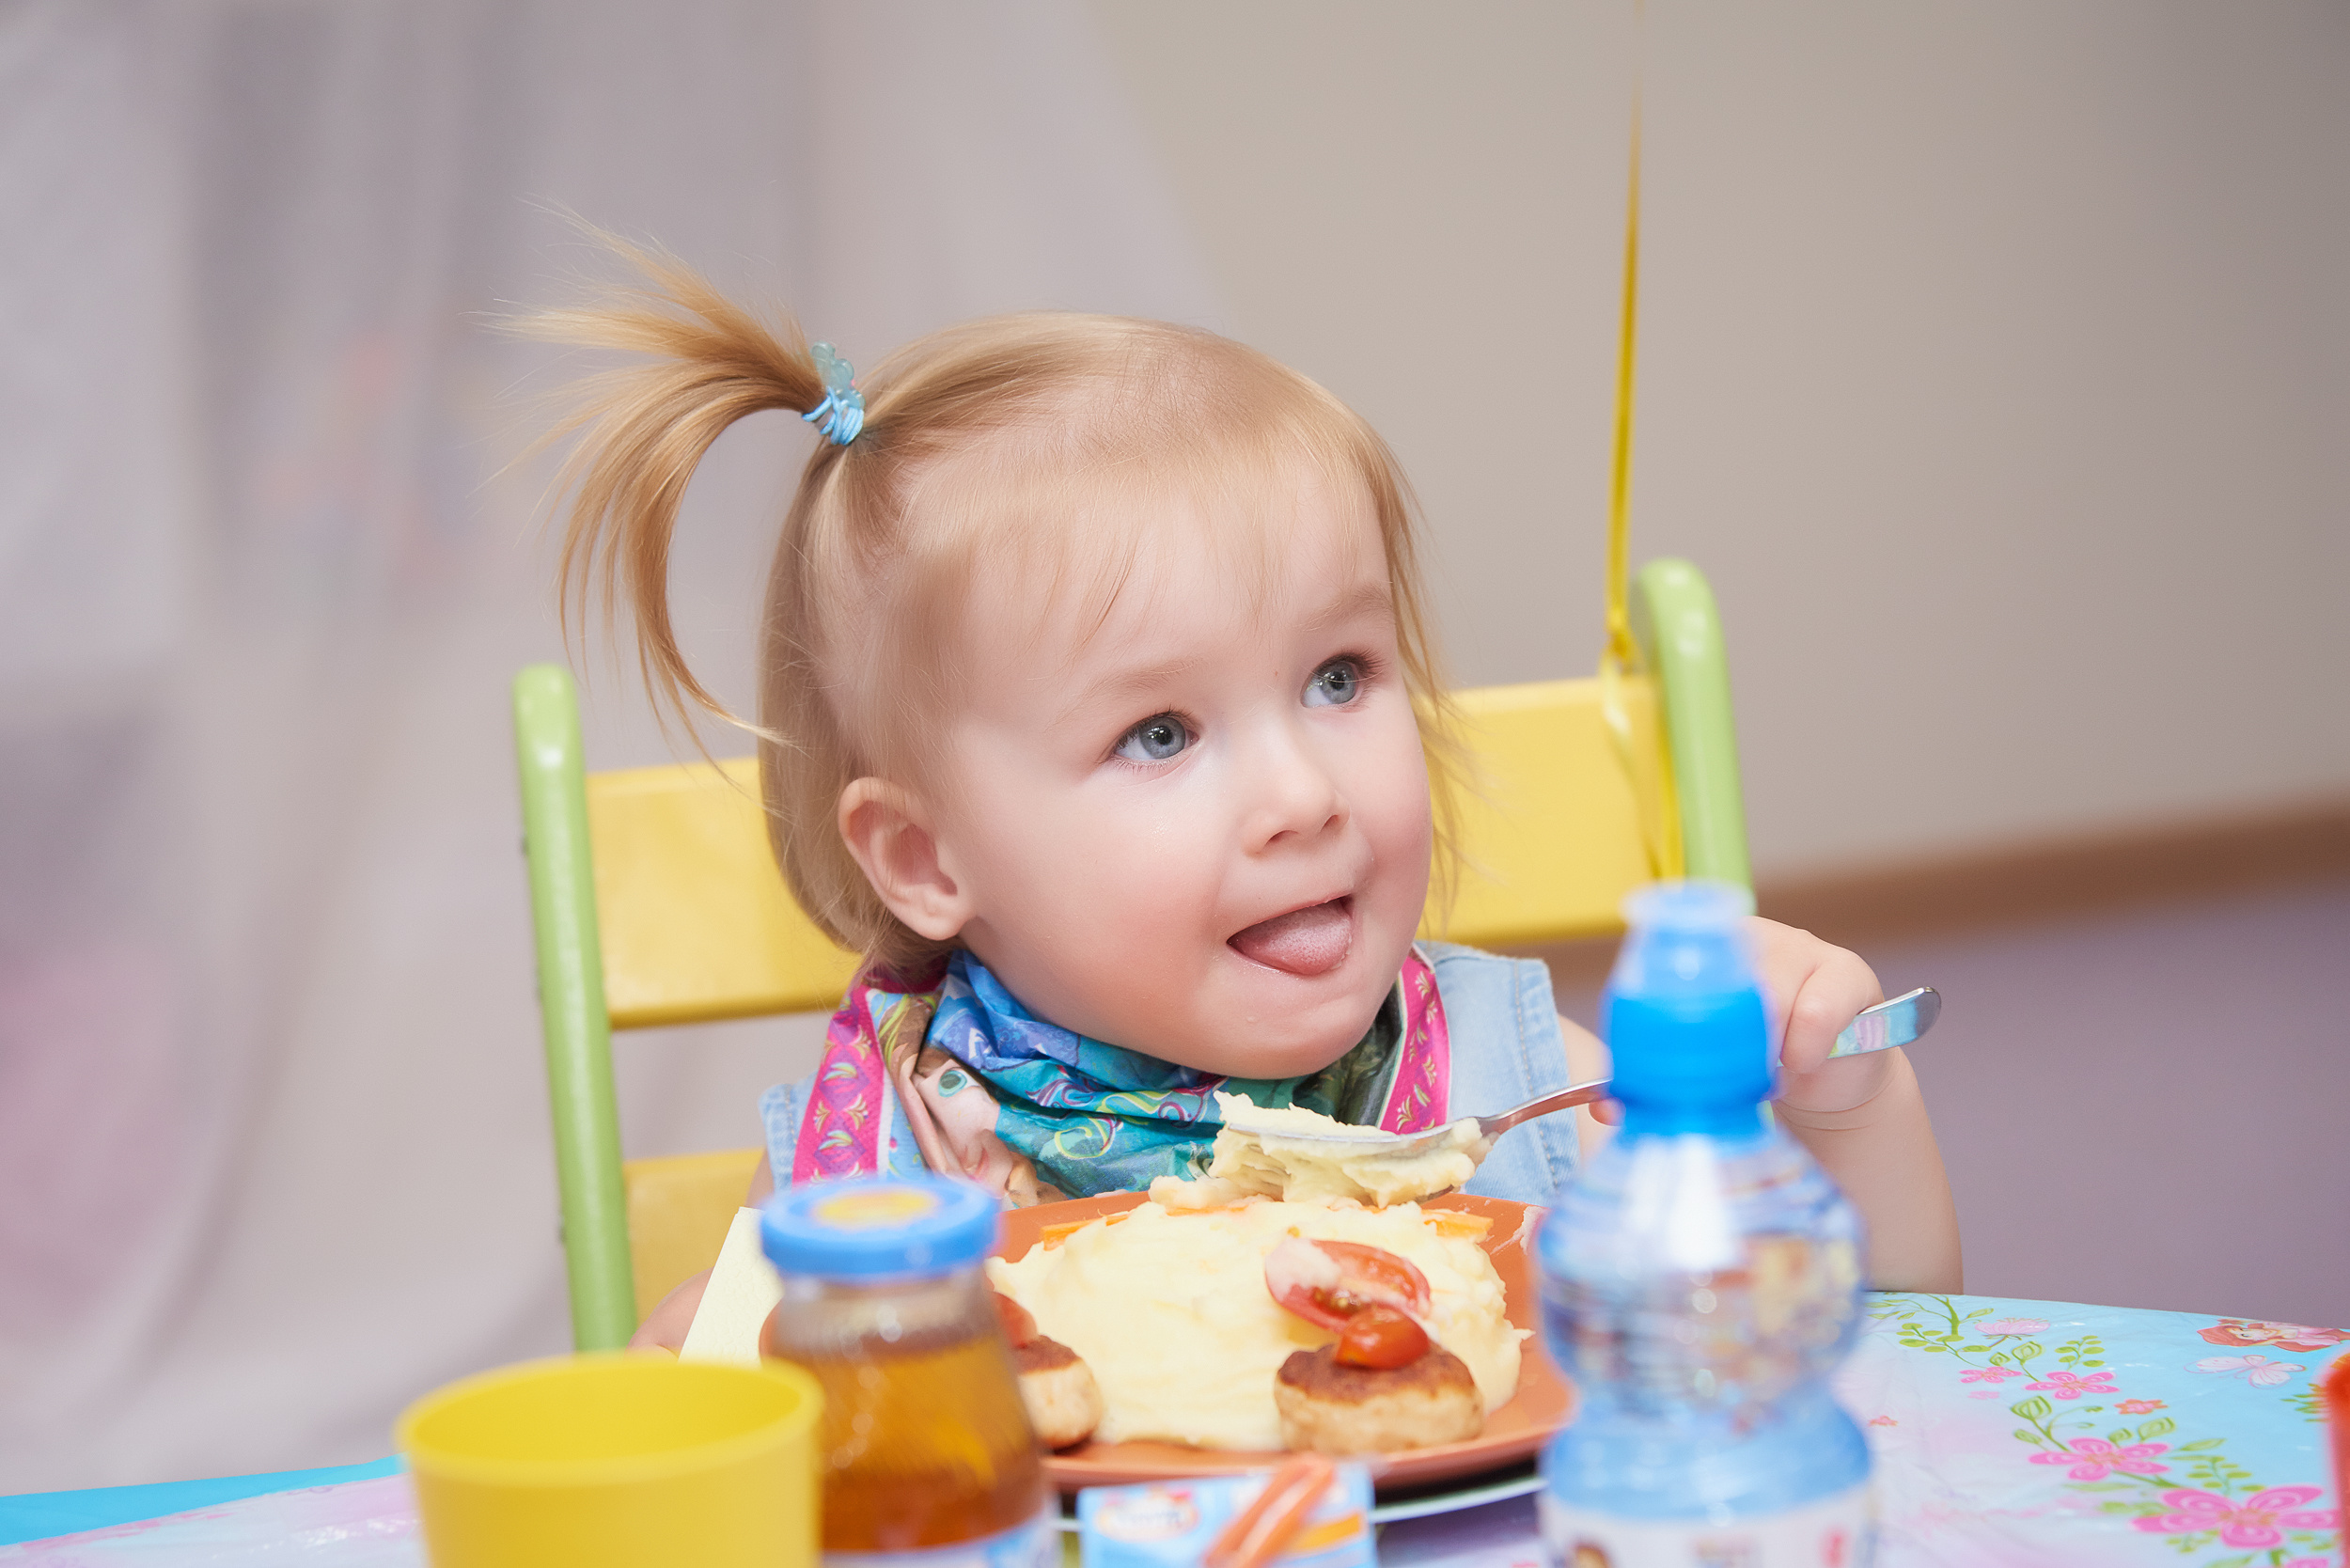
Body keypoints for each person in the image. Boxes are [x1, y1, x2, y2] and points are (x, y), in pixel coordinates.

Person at [523, 237, 1962, 1353]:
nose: (1300, 793)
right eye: (1159, 733)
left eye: (1338, 677)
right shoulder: (881, 1185)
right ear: (926, 855)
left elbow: (1868, 1356)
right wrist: (717, 1380)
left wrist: (1850, 1116)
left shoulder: (1515, 1087)